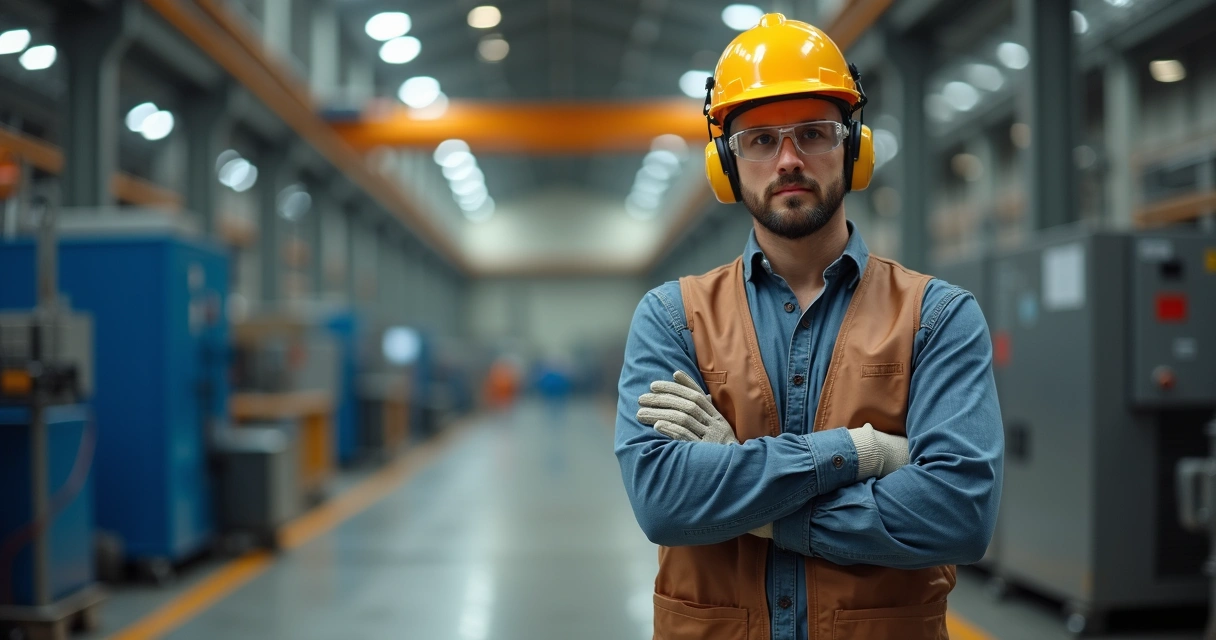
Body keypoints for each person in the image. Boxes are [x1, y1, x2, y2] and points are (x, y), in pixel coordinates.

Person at [613, 13, 1003, 640]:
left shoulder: (936, 316)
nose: (788, 160)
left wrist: (752, 499)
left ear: (854, 148)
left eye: (814, 134)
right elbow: (665, 502)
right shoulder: (673, 317)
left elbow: (958, 515)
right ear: (725, 162)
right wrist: (861, 453)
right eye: (760, 140)